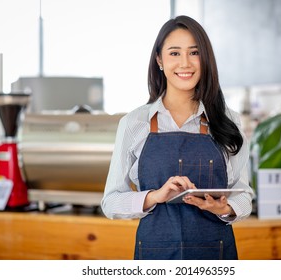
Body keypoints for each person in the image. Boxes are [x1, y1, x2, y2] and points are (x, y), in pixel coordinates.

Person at [101, 15, 254, 260]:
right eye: (174, 53)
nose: (185, 63)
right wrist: (155, 196)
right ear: (159, 60)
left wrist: (224, 207)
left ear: (205, 59)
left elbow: (244, 194)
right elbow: (110, 202)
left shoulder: (228, 121)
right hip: (155, 256)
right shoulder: (133, 124)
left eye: (194, 52)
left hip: (215, 255)